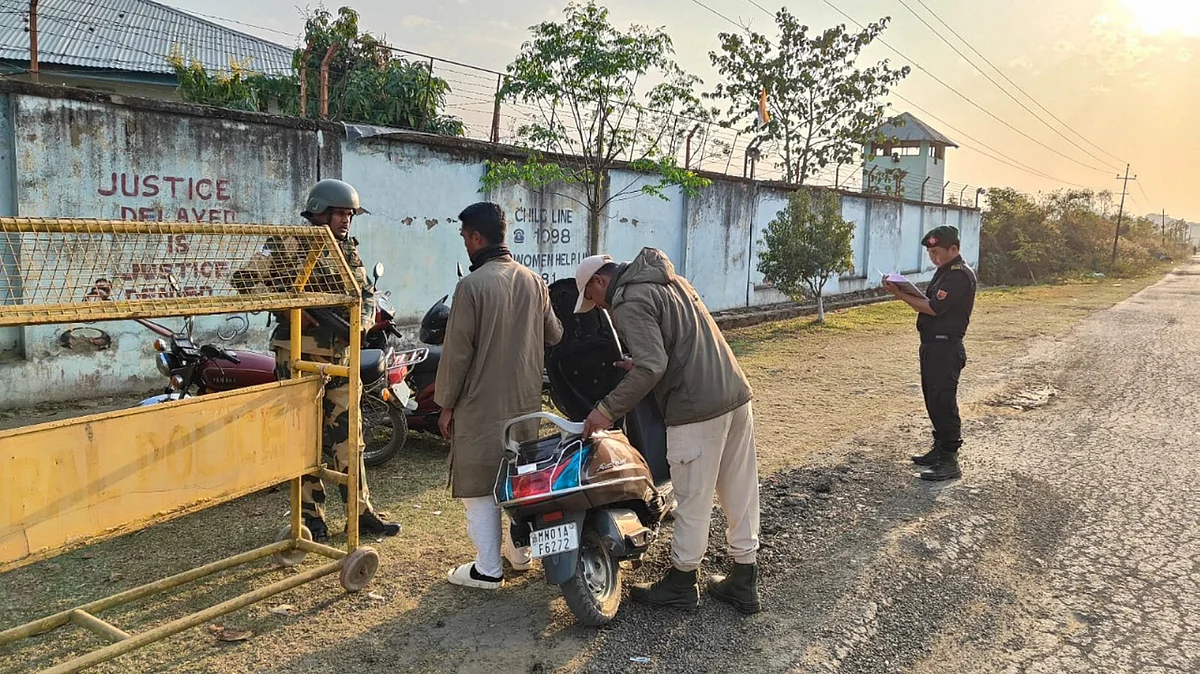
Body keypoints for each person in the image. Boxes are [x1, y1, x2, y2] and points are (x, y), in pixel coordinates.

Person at [573, 247, 762, 614]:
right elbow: (676, 344)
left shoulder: (628, 299)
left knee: (692, 497)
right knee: (740, 490)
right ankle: (745, 575)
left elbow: (652, 366)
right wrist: (641, 362)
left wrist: (605, 410)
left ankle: (681, 581)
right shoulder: (671, 280)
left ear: (600, 281)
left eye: (592, 298)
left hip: (695, 408)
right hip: (735, 394)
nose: (597, 306)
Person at [232, 178, 401, 542]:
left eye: (350, 215)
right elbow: (245, 280)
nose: (346, 221)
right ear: (320, 211)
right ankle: (311, 518)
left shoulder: (349, 251)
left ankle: (360, 511)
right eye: (340, 213)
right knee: (302, 438)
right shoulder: (288, 244)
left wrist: (363, 322)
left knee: (350, 437)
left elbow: (366, 294)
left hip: (340, 357)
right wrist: (293, 307)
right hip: (297, 356)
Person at [436, 202, 563, 591]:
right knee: (518, 480)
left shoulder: (471, 286)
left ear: (476, 237)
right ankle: (521, 555)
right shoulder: (533, 280)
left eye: (464, 237)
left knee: (479, 486)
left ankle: (488, 569)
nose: (464, 244)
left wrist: (445, 405)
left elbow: (457, 355)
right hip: (524, 403)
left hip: (480, 405)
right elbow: (554, 334)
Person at [883, 225, 978, 482]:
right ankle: (939, 450)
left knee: (944, 400)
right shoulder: (945, 272)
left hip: (946, 346)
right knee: (933, 398)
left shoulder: (958, 275)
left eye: (937, 252)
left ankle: (949, 460)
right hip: (933, 345)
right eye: (930, 253)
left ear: (954, 249)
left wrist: (899, 294)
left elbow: (934, 308)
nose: (933, 257)